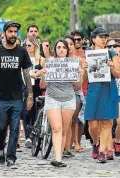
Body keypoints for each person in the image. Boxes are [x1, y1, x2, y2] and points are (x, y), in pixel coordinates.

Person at [0, 21, 33, 168]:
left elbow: (26, 73)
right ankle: (0, 147)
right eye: (10, 31)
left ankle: (11, 157)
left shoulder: (22, 51)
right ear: (5, 32)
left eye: (15, 32)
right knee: (0, 128)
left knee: (14, 129)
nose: (13, 34)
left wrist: (30, 94)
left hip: (17, 96)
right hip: (1, 96)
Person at [40, 39, 83, 167]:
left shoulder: (73, 64)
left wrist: (80, 74)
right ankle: (58, 158)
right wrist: (43, 75)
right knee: (56, 128)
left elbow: (77, 86)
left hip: (69, 99)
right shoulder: (49, 63)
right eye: (58, 47)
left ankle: (60, 155)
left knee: (64, 130)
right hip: (52, 98)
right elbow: (43, 85)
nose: (61, 49)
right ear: (55, 50)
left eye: (63, 47)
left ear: (67, 50)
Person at [83, 27, 120, 163]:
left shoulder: (111, 53)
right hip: (94, 89)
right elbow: (83, 79)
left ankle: (102, 151)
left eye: (105, 37)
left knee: (106, 122)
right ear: (93, 39)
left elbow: (118, 74)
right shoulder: (88, 53)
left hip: (108, 88)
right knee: (92, 124)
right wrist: (85, 69)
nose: (103, 39)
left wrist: (111, 67)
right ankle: (96, 143)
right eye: (101, 37)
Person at [23, 36, 45, 148]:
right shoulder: (23, 58)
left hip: (37, 88)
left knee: (36, 113)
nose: (27, 47)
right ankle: (28, 137)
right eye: (26, 45)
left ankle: (35, 136)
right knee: (27, 113)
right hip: (26, 88)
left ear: (35, 46)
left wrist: (40, 72)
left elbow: (46, 72)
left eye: (29, 45)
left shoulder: (41, 60)